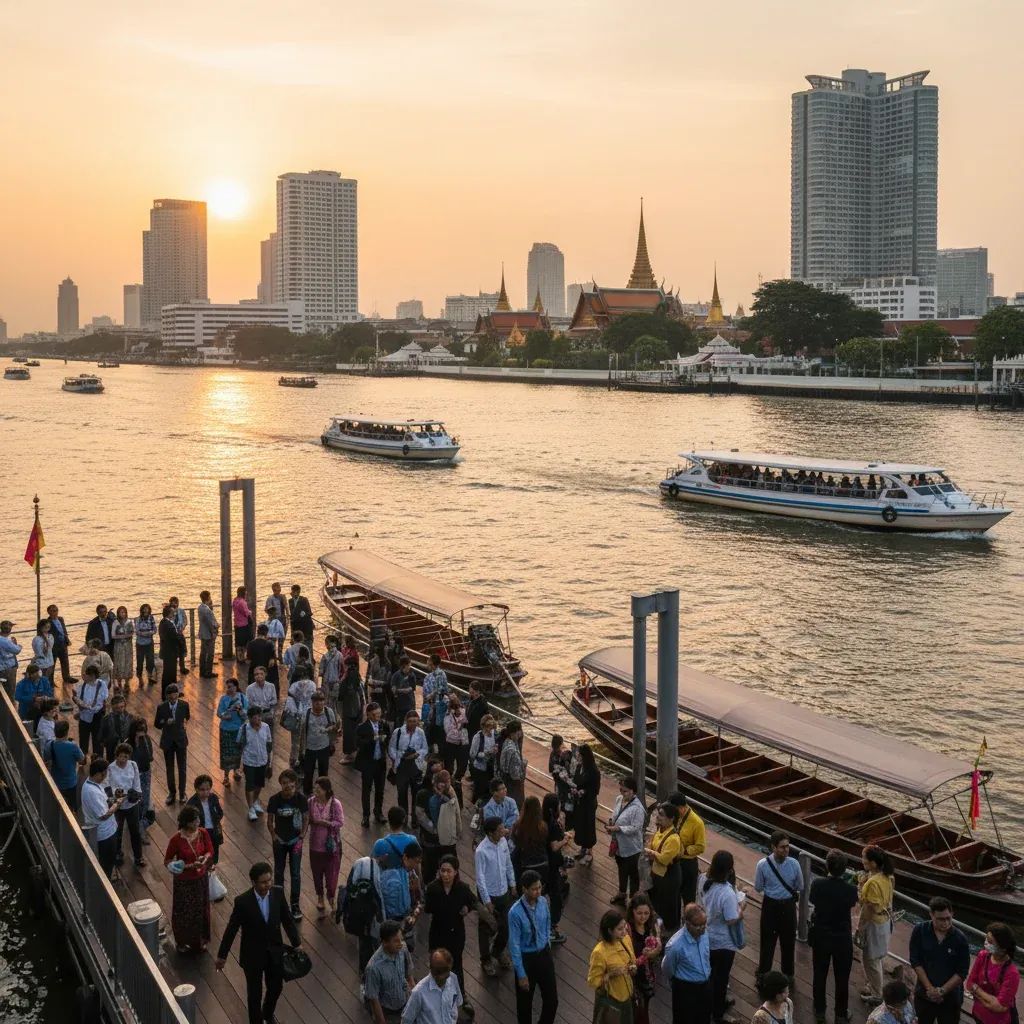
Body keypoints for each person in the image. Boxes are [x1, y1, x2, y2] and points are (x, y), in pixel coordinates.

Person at [215, 860, 302, 1024]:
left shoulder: (278, 893)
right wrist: (222, 955)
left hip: (275, 953)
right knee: (254, 995)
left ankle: (267, 1014)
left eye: (269, 880)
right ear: (253, 882)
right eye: (263, 882)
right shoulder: (243, 902)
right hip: (252, 956)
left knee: (276, 987)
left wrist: (297, 943)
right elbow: (231, 929)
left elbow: (287, 920)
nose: (267, 885)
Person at [423, 856, 478, 1015]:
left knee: (457, 966)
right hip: (438, 933)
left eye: (449, 871)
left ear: (455, 872)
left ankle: (460, 996)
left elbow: (473, 902)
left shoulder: (462, 888)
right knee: (436, 967)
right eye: (443, 871)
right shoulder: (433, 888)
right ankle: (435, 997)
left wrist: (467, 908)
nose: (445, 874)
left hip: (456, 934)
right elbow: (427, 908)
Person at [810, 849, 858, 1024]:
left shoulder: (818, 884)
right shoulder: (851, 890)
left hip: (821, 934)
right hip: (842, 937)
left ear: (827, 865)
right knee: (842, 977)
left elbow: (813, 900)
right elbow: (852, 902)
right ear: (844, 869)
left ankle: (820, 1010)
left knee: (819, 973)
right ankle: (840, 1013)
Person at [699, 849, 745, 1024]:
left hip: (706, 936)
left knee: (708, 974)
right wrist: (742, 909)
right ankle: (717, 1012)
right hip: (723, 942)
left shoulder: (703, 879)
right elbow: (731, 919)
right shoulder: (726, 892)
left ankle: (706, 1005)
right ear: (729, 870)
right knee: (721, 977)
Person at [909, 896, 970, 1024]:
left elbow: (962, 971)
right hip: (924, 994)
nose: (945, 923)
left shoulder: (960, 939)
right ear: (931, 914)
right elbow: (915, 961)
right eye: (941, 919)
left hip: (950, 998)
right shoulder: (920, 931)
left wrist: (942, 991)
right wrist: (930, 989)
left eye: (948, 918)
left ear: (952, 914)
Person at [508, 869, 558, 1024]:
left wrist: (547, 944)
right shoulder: (515, 912)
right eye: (534, 889)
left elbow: (547, 923)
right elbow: (514, 945)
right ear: (524, 889)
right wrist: (521, 973)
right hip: (526, 959)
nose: (538, 892)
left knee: (552, 1000)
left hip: (543, 954)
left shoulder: (543, 902)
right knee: (525, 1005)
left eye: (539, 888)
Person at [755, 830, 804, 983]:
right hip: (784, 905)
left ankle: (766, 973)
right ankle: (783, 974)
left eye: (787, 846)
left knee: (781, 941)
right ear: (773, 847)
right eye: (782, 847)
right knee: (778, 941)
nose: (786, 850)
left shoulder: (763, 864)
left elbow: (758, 887)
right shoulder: (794, 864)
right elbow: (799, 886)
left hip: (772, 904)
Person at [164, 804, 213, 951]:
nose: (197, 822)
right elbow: (167, 861)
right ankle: (182, 942)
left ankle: (200, 940)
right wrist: (188, 866)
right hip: (184, 882)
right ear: (186, 822)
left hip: (200, 879)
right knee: (184, 911)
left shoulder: (203, 833)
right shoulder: (176, 840)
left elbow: (210, 850)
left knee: (201, 910)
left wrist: (204, 859)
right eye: (194, 820)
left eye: (197, 819)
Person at [475, 815, 516, 977]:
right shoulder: (481, 851)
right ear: (490, 833)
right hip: (490, 895)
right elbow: (480, 878)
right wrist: (486, 901)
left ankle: (498, 951)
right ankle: (485, 959)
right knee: (485, 929)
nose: (503, 832)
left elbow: (508, 864)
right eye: (500, 830)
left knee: (506, 926)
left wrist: (512, 884)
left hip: (504, 891)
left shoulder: (503, 842)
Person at [267, 768, 309, 919]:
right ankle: (279, 903)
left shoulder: (301, 799)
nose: (288, 788)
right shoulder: (274, 799)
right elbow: (270, 820)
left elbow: (306, 818)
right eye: (284, 784)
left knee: (295, 873)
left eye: (291, 785)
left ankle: (295, 904)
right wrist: (273, 836)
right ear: (280, 784)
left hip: (295, 841)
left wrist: (302, 836)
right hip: (280, 840)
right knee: (278, 872)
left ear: (295, 785)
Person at [859, 844, 896, 1006]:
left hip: (874, 924)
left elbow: (868, 909)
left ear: (873, 863)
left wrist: (860, 929)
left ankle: (877, 994)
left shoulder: (872, 883)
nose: (862, 861)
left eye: (864, 859)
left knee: (870, 960)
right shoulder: (888, 876)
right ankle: (874, 986)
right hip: (885, 921)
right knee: (877, 958)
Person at [662, 903, 711, 1024]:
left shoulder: (704, 934)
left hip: (705, 985)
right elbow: (667, 968)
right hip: (686, 989)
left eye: (704, 924)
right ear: (687, 924)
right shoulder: (676, 945)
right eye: (698, 925)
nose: (702, 928)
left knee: (704, 1018)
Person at [587, 909, 637, 1024]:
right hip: (612, 1000)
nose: (624, 931)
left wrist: (632, 968)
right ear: (610, 931)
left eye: (624, 927)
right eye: (620, 929)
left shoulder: (626, 939)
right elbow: (593, 981)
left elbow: (632, 960)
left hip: (628, 997)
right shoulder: (599, 952)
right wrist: (610, 974)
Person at [966, 922, 1019, 1024]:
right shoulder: (983, 956)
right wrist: (990, 1002)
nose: (986, 943)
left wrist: (976, 990)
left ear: (1003, 948)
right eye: (986, 939)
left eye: (990, 942)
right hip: (978, 1014)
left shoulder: (1012, 973)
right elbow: (969, 984)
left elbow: (999, 1007)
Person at [364, 919, 415, 1023]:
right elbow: (374, 1000)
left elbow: (409, 974)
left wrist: (414, 998)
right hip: (387, 1012)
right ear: (384, 942)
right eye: (396, 941)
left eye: (401, 939)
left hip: (406, 1003)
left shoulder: (403, 948)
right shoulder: (373, 968)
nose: (400, 943)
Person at [308, 775, 344, 916]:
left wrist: (327, 823)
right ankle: (320, 897)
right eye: (314, 789)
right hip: (315, 844)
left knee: (332, 875)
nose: (316, 792)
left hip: (332, 846)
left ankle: (331, 897)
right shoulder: (310, 802)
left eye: (319, 789)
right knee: (317, 873)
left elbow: (340, 822)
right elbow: (307, 819)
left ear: (326, 790)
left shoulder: (335, 804)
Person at [419, 768, 461, 884]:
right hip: (437, 838)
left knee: (453, 865)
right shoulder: (433, 799)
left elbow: (457, 812)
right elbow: (436, 818)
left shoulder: (451, 792)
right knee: (432, 868)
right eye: (445, 781)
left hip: (449, 838)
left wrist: (458, 830)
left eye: (448, 781)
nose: (447, 784)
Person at [82, 758, 123, 878]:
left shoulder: (92, 784)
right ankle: (106, 884)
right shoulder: (92, 791)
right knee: (106, 863)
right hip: (105, 834)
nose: (106, 777)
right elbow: (104, 815)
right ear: (100, 773)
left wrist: (113, 800)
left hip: (108, 831)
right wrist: (117, 804)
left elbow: (103, 802)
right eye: (105, 773)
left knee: (109, 860)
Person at [608, 776, 646, 906]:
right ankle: (622, 892)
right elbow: (615, 814)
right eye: (621, 790)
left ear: (633, 791)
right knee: (621, 869)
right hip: (619, 843)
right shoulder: (619, 799)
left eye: (625, 791)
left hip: (632, 847)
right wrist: (611, 823)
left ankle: (633, 899)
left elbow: (636, 828)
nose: (623, 794)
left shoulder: (638, 809)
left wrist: (619, 828)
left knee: (633, 873)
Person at [645, 802, 683, 933]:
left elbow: (664, 859)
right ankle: (657, 928)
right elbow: (653, 843)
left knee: (667, 906)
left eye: (661, 815)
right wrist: (650, 849)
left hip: (668, 877)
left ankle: (668, 931)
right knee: (656, 903)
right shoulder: (660, 830)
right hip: (657, 873)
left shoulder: (673, 838)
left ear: (671, 819)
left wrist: (650, 853)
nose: (658, 817)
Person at [626, 894, 663, 1024]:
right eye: (639, 913)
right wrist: (644, 956)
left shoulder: (651, 926)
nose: (643, 917)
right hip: (632, 976)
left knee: (643, 1008)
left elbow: (658, 947)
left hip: (646, 975)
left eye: (646, 913)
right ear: (632, 912)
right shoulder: (627, 930)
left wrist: (655, 951)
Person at [402, 949, 463, 1024]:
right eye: (440, 972)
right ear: (431, 969)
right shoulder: (418, 992)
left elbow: (457, 1002)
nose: (447, 976)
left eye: (448, 970)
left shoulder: (453, 978)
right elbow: (406, 1020)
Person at [668, 790, 706, 907]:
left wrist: (683, 851)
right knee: (673, 894)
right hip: (673, 860)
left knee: (688, 898)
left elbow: (700, 847)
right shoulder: (675, 816)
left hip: (687, 863)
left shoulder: (697, 823)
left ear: (682, 808)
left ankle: (688, 921)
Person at [542, 794, 571, 945]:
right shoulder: (552, 824)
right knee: (556, 897)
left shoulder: (542, 821)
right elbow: (554, 846)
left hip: (544, 863)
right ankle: (552, 928)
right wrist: (564, 840)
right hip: (552, 865)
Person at [154, 683, 190, 804]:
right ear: (167, 696)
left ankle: (182, 793)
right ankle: (172, 793)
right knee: (169, 768)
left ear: (178, 695)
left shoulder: (184, 705)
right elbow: (157, 724)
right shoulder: (162, 707)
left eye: (175, 696)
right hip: (168, 741)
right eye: (170, 697)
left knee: (182, 768)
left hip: (180, 740)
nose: (173, 699)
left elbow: (187, 717)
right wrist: (165, 722)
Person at [356, 702, 391, 827]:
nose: (378, 716)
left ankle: (378, 812)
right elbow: (359, 744)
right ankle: (366, 815)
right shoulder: (362, 727)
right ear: (369, 715)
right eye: (375, 714)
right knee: (366, 789)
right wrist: (373, 739)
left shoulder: (384, 725)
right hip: (368, 763)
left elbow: (389, 739)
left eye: (379, 713)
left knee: (380, 789)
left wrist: (384, 740)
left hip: (380, 762)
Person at [389, 710, 428, 817]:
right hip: (402, 765)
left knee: (416, 793)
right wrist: (396, 757)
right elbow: (391, 747)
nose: (413, 724)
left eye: (415, 721)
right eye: (410, 721)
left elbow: (425, 748)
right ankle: (403, 816)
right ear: (406, 721)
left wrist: (417, 754)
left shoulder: (420, 732)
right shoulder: (398, 732)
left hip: (415, 765)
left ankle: (415, 817)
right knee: (402, 792)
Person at [299, 690, 339, 794]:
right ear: (312, 702)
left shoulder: (328, 712)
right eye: (316, 701)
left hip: (324, 747)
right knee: (308, 773)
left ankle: (323, 792)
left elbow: (334, 726)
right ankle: (307, 793)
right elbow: (302, 731)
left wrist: (328, 731)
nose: (319, 703)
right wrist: (301, 749)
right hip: (309, 747)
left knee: (323, 772)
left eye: (321, 701)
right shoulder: (307, 713)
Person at [239, 706, 273, 821]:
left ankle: (255, 801)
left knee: (259, 784)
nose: (258, 720)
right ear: (249, 718)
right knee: (249, 784)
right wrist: (240, 764)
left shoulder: (266, 727)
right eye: (255, 717)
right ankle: (251, 808)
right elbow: (239, 744)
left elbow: (269, 744)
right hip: (249, 761)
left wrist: (270, 762)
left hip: (262, 760)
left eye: (259, 717)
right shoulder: (244, 729)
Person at [510, 795, 549, 889]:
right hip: (542, 863)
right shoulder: (543, 826)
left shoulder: (518, 827)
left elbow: (514, 843)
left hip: (526, 865)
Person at [187, 773, 225, 867]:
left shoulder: (213, 798)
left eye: (208, 789)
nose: (205, 792)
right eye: (202, 790)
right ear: (196, 789)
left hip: (213, 830)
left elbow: (220, 812)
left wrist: (216, 820)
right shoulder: (192, 803)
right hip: (201, 832)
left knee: (214, 851)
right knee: (202, 853)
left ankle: (212, 866)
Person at [572, 742, 600, 865]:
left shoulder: (594, 771)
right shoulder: (579, 767)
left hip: (588, 803)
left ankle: (589, 851)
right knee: (580, 825)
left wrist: (584, 792)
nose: (578, 757)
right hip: (579, 802)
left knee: (589, 826)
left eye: (579, 755)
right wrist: (574, 789)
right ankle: (582, 848)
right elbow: (576, 781)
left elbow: (595, 789)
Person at [216, 677, 248, 785]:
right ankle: (226, 776)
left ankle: (236, 771)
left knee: (238, 751)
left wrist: (240, 710)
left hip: (238, 729)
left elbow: (245, 715)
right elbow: (219, 713)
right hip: (226, 729)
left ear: (236, 687)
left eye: (231, 687)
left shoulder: (243, 698)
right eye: (227, 687)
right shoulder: (223, 699)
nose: (229, 689)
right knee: (226, 753)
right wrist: (227, 714)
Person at [73, 664, 108, 758]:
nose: (84, 676)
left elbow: (100, 702)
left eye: (87, 675)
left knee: (97, 738)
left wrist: (89, 708)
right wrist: (78, 708)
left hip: (96, 716)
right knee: (83, 738)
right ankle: (83, 757)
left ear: (92, 676)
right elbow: (77, 698)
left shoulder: (101, 685)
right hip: (84, 716)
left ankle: (97, 758)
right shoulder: (81, 685)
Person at [128, 716, 154, 835]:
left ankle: (141, 824)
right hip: (133, 775)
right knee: (135, 799)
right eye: (139, 731)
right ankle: (135, 823)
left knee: (145, 799)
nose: (141, 734)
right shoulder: (128, 743)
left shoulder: (147, 740)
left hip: (145, 773)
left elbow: (150, 757)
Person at [51, 719, 85, 808]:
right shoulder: (72, 746)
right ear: (66, 732)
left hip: (55, 782)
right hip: (70, 783)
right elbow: (82, 760)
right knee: (72, 807)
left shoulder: (49, 745)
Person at [441, 695, 470, 801]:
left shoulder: (464, 712)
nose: (458, 710)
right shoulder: (448, 716)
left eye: (458, 707)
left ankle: (456, 780)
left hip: (462, 745)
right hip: (451, 744)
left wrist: (459, 728)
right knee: (449, 766)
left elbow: (467, 725)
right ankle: (450, 785)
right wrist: (459, 729)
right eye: (455, 708)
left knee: (462, 766)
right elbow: (448, 732)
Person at [338, 655, 365, 762]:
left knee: (348, 732)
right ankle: (357, 751)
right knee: (356, 730)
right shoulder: (358, 676)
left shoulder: (347, 678)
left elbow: (340, 695)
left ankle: (349, 755)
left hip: (349, 708)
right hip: (358, 707)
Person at [421, 653, 449, 751]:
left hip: (437, 708)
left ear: (432, 663)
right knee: (432, 730)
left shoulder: (439, 674)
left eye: (428, 660)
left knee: (436, 730)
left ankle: (436, 752)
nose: (427, 662)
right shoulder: (431, 676)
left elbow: (440, 690)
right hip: (434, 706)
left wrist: (432, 703)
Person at [468, 714, 498, 805]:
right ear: (483, 726)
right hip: (480, 768)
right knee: (480, 790)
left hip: (491, 767)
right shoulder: (478, 737)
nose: (490, 729)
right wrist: (487, 753)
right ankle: (475, 806)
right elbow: (473, 754)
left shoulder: (495, 735)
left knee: (490, 790)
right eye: (488, 726)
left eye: (492, 726)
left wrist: (496, 749)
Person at [499, 721, 527, 808]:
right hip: (512, 785)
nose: (521, 734)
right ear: (515, 733)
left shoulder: (506, 742)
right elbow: (515, 775)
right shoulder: (513, 750)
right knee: (515, 807)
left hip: (505, 779)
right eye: (519, 731)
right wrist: (523, 766)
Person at [99, 693, 132, 763]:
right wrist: (105, 742)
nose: (120, 710)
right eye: (117, 708)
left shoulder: (130, 718)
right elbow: (101, 735)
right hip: (111, 748)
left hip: (127, 748)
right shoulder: (106, 719)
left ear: (125, 706)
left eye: (122, 707)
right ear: (112, 707)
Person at [46, 607, 75, 687]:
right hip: (54, 646)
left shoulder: (61, 619)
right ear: (49, 612)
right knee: (52, 663)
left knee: (65, 661)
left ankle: (67, 677)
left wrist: (67, 638)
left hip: (63, 644)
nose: (55, 612)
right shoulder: (47, 622)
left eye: (56, 610)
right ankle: (50, 680)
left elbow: (63, 630)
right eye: (53, 611)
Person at [245, 665, 278, 733]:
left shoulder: (271, 686)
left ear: (265, 674)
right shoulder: (249, 688)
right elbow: (248, 703)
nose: (259, 676)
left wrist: (269, 708)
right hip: (255, 716)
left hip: (268, 714)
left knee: (269, 737)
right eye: (256, 674)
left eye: (261, 674)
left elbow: (274, 700)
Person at [110, 607, 134, 693]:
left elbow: (132, 632)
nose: (122, 614)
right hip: (118, 646)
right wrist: (122, 636)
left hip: (128, 646)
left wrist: (127, 635)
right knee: (119, 663)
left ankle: (127, 683)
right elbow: (113, 635)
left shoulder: (129, 622)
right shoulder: (115, 623)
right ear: (118, 613)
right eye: (121, 612)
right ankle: (119, 682)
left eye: (124, 612)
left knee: (128, 663)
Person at [318, 634, 342, 713]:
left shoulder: (325, 656)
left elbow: (320, 672)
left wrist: (319, 687)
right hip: (337, 682)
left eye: (326, 643)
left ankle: (330, 721)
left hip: (326, 683)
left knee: (328, 705)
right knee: (337, 705)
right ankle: (337, 721)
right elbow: (342, 670)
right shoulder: (340, 655)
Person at [197, 590, 219, 679]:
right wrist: (213, 631)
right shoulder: (207, 610)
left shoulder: (200, 607)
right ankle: (208, 672)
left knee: (203, 653)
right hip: (208, 634)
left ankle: (202, 671)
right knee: (210, 654)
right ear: (208, 597)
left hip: (203, 633)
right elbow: (210, 623)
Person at [133, 604, 157, 685]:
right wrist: (146, 633)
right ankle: (140, 678)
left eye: (147, 609)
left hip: (149, 643)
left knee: (150, 660)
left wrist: (148, 633)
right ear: (142, 610)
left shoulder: (151, 618)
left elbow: (155, 629)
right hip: (140, 643)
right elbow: (137, 631)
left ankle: (150, 677)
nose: (146, 610)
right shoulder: (138, 619)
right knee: (140, 661)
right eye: (144, 609)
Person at [390, 656, 418, 722]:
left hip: (410, 703)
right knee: (400, 722)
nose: (410, 666)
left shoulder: (412, 674)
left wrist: (408, 689)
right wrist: (401, 690)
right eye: (409, 664)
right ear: (404, 665)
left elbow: (413, 687)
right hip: (400, 705)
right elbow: (393, 689)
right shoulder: (396, 675)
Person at [288, 585, 314, 652]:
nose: (295, 593)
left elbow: (309, 613)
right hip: (296, 627)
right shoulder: (290, 601)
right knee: (297, 649)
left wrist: (304, 614)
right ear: (292, 592)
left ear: (299, 592)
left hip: (305, 627)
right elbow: (292, 615)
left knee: (308, 647)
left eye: (297, 592)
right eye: (294, 592)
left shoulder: (304, 600)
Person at [232, 586, 254, 665]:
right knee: (248, 641)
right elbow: (246, 613)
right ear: (243, 592)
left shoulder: (235, 600)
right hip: (244, 624)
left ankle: (239, 658)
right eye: (245, 592)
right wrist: (250, 613)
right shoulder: (242, 602)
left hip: (237, 624)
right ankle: (244, 657)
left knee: (239, 642)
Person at [264, 583, 288, 654]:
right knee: (273, 639)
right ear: (273, 590)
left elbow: (287, 608)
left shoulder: (283, 597)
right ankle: (273, 655)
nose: (278, 590)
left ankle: (280, 655)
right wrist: (271, 613)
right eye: (276, 589)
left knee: (282, 639)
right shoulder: (270, 598)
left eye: (279, 588)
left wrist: (288, 617)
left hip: (283, 620)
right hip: (274, 620)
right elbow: (266, 610)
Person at [0, 620, 23, 694]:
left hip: (2, 668)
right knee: (10, 691)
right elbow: (17, 650)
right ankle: (9, 704)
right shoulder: (5, 641)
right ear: (9, 629)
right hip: (7, 669)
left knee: (3, 691)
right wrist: (18, 645)